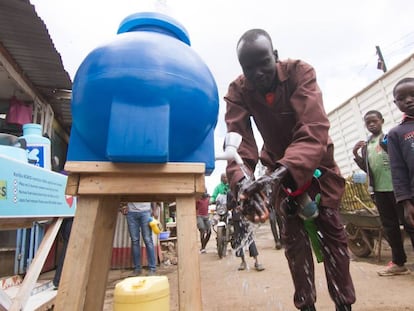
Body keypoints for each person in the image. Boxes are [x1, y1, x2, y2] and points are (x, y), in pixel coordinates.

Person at [224, 29, 355, 311]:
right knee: (294, 245)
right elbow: (237, 145)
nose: (258, 73)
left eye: (264, 63)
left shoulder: (300, 73)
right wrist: (243, 183)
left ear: (275, 56)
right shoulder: (238, 91)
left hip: (317, 165)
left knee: (334, 239)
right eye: (249, 68)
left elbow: (313, 129)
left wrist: (279, 174)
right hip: (277, 172)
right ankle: (306, 306)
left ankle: (344, 305)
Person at [353, 110, 414, 276]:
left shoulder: (389, 139)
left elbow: (399, 161)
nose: (372, 124)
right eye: (368, 123)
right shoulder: (367, 145)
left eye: (374, 121)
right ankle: (399, 263)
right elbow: (368, 169)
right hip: (380, 192)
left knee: (409, 225)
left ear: (382, 121)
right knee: (390, 227)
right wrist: (356, 155)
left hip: (398, 191)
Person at [387, 77, 414, 231]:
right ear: (395, 104)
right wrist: (406, 202)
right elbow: (397, 170)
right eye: (402, 98)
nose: (409, 100)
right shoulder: (396, 134)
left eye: (413, 94)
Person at [121, 202, 157, 276]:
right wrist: (123, 206)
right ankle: (137, 269)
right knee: (135, 241)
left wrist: (154, 210)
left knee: (148, 240)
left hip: (145, 211)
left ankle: (152, 268)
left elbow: (153, 194)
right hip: (131, 212)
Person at [53, 217, 73, 289]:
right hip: (72, 220)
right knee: (69, 249)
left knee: (67, 248)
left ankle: (59, 280)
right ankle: (60, 280)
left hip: (65, 220)